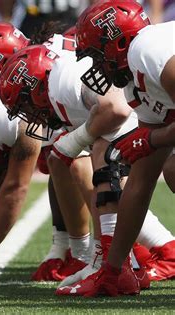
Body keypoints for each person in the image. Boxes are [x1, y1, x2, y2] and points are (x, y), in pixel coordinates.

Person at [60, 0, 175, 296]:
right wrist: (112, 271)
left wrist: (152, 139)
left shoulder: (147, 50)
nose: (96, 67)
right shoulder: (136, 86)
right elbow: (140, 183)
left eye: (97, 57)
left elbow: (153, 142)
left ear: (117, 43)